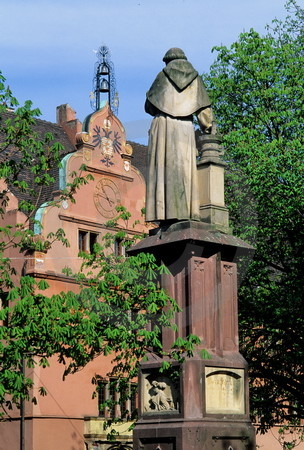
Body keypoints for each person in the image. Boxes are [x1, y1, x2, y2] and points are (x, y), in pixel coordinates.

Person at [145, 48, 213, 224]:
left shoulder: (162, 76)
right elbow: (205, 113)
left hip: (164, 126)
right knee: (184, 170)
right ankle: (186, 211)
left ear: (167, 61)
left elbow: (149, 106)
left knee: (165, 168)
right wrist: (207, 127)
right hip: (185, 127)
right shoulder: (195, 79)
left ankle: (166, 213)